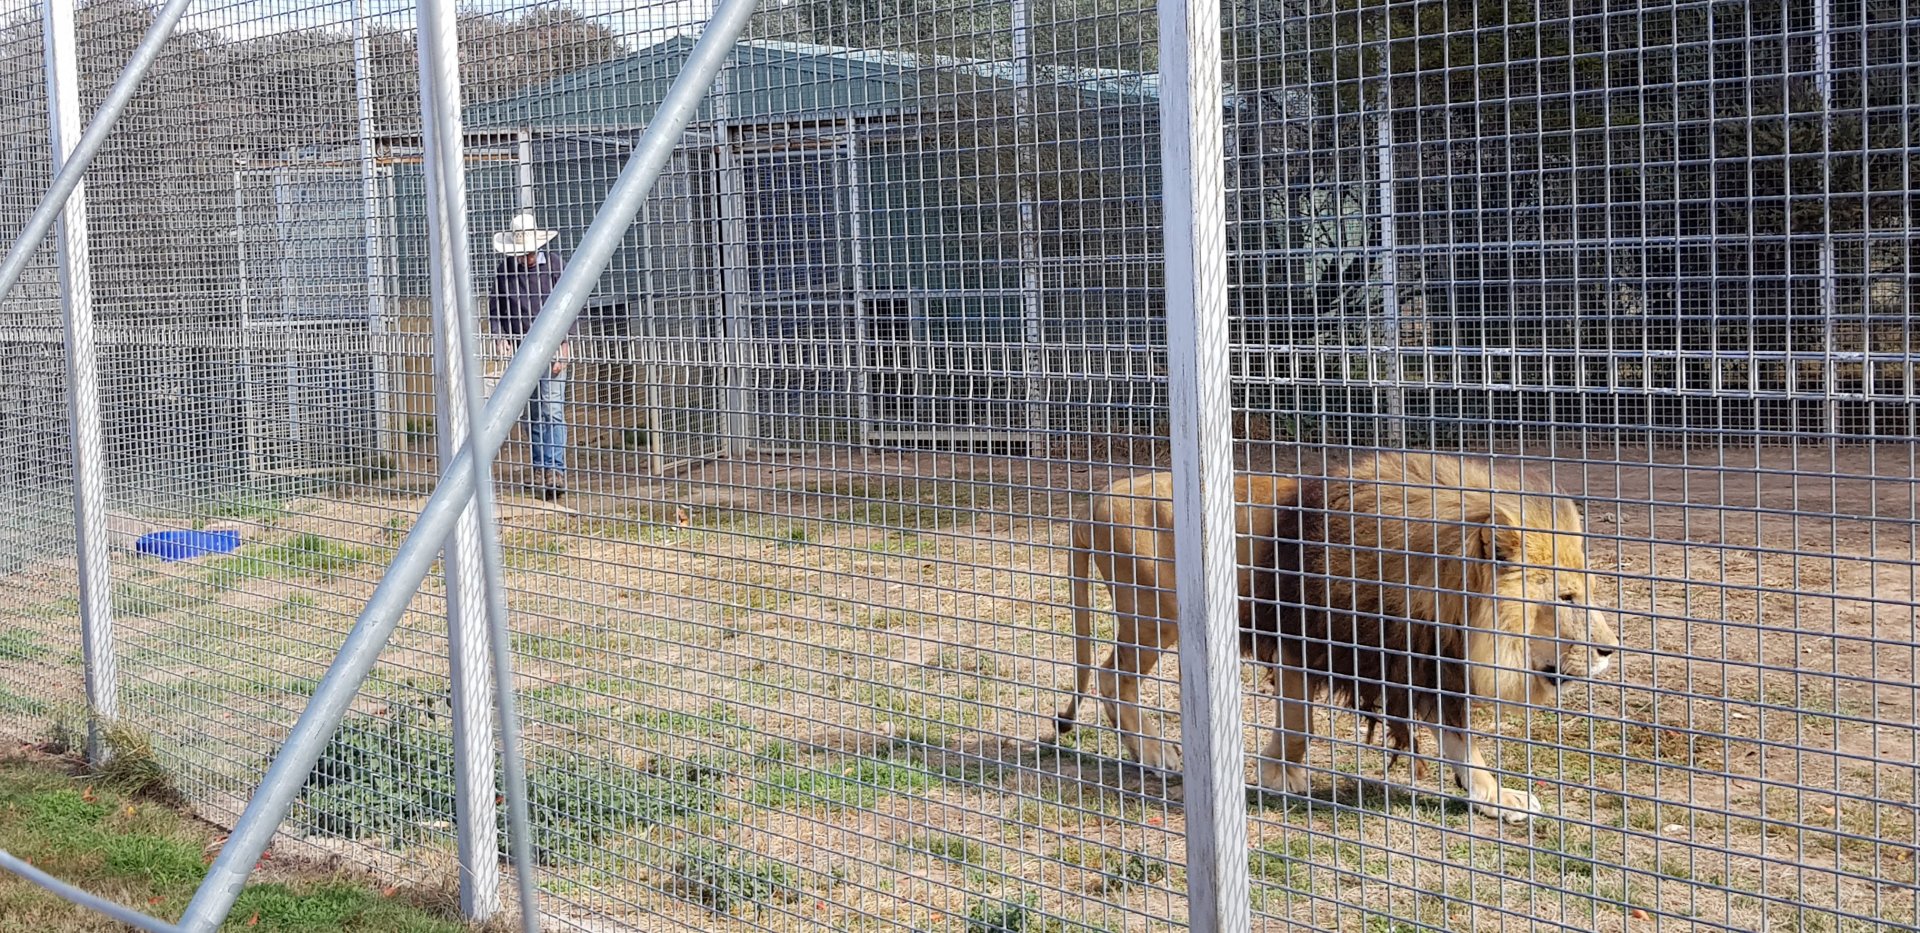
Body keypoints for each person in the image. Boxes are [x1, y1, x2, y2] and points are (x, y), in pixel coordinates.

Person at [488, 210, 576, 501]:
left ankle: (556, 469)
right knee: (534, 412)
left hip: (552, 346)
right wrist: (500, 336)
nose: (525, 257)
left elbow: (569, 304)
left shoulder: (553, 266)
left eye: (528, 252)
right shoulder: (505, 271)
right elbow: (496, 307)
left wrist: (565, 343)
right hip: (521, 348)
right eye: (520, 252)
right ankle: (541, 468)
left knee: (551, 407)